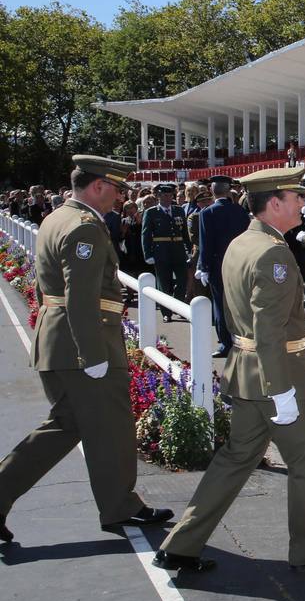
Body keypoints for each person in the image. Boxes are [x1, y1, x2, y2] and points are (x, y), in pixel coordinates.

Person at [153, 167, 305, 574]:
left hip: (247, 372)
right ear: (275, 203)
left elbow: (236, 317)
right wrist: (281, 390)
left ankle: (181, 544)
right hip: (278, 374)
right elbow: (268, 328)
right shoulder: (272, 252)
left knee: (234, 459)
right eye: (296, 196)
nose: (304, 202)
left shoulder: (241, 243)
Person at [0, 156, 173, 545]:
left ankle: (118, 503)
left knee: (68, 425)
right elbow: (80, 298)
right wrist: (92, 356)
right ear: (98, 186)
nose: (119, 197)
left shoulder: (59, 218)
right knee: (110, 426)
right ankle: (121, 505)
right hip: (84, 343)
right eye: (116, 189)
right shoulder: (84, 229)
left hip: (60, 340)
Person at [196, 175, 250, 357]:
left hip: (218, 264)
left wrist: (203, 267)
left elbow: (206, 243)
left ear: (212, 191)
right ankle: (242, 340)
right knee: (240, 303)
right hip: (239, 263)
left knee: (220, 305)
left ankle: (226, 344)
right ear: (228, 191)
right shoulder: (240, 211)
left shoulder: (207, 212)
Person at [141, 182, 190, 322]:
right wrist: (148, 254)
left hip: (178, 250)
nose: (168, 198)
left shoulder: (179, 210)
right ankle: (166, 313)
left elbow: (185, 231)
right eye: (165, 195)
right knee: (164, 283)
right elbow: (145, 234)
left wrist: (189, 248)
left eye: (170, 195)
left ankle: (177, 305)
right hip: (161, 251)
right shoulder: (151, 212)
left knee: (182, 280)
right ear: (159, 196)